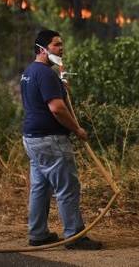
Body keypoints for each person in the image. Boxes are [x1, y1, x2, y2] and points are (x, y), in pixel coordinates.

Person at [20, 29, 103, 250]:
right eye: (56, 45)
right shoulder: (46, 74)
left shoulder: (29, 72)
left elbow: (53, 97)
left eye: (61, 44)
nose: (61, 48)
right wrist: (77, 129)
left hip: (32, 139)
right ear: (42, 49)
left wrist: (62, 83)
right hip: (51, 141)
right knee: (68, 187)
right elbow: (57, 108)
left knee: (40, 187)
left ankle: (38, 234)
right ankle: (75, 236)